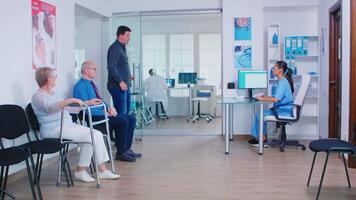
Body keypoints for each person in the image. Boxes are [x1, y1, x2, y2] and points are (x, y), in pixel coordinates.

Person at [31, 67, 120, 183]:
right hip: (53, 129)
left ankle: (93, 170)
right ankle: (86, 171)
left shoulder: (54, 94)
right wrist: (70, 100)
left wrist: (86, 103)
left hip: (67, 125)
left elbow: (68, 109)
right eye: (54, 76)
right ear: (48, 79)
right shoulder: (38, 96)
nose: (56, 78)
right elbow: (50, 108)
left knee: (96, 134)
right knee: (91, 136)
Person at [73, 61, 141, 162]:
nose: (96, 71)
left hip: (101, 114)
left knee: (131, 118)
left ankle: (126, 149)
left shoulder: (91, 84)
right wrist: (105, 113)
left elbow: (99, 100)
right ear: (86, 71)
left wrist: (109, 107)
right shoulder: (80, 86)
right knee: (122, 121)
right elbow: (86, 107)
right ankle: (121, 153)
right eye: (94, 69)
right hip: (94, 117)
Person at [248, 61, 295, 147]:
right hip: (282, 109)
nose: (273, 70)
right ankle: (262, 137)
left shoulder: (283, 82)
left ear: (280, 70)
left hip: (283, 111)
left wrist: (262, 98)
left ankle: (261, 139)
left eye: (274, 68)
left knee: (259, 115)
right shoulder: (282, 81)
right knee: (260, 114)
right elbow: (276, 97)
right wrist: (265, 97)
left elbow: (276, 99)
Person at [107, 25, 133, 116]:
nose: (129, 38)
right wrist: (121, 81)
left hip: (124, 85)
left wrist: (128, 76)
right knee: (122, 114)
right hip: (117, 86)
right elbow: (111, 67)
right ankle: (120, 130)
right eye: (127, 35)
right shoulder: (115, 48)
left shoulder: (121, 48)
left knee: (126, 113)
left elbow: (120, 66)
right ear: (120, 36)